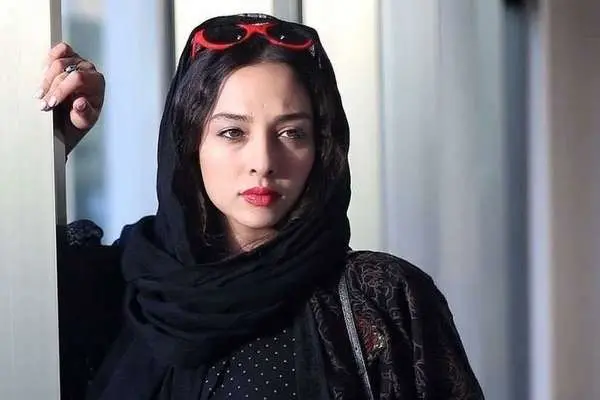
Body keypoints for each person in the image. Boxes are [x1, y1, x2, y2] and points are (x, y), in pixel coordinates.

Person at [42, 13, 484, 400]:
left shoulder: (381, 297)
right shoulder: (122, 288)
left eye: (292, 133)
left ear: (322, 146)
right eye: (233, 132)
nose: (264, 162)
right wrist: (52, 145)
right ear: (189, 142)